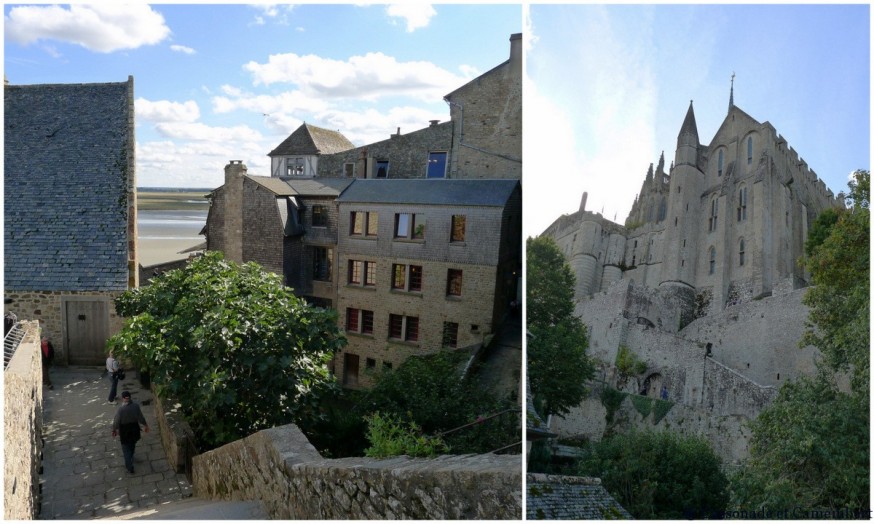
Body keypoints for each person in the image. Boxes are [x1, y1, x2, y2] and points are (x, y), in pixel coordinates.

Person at [112, 391, 149, 474]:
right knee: (132, 444)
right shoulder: (136, 406)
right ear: (130, 397)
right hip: (134, 428)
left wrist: (114, 429)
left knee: (126, 449)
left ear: (122, 398)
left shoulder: (121, 410)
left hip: (124, 431)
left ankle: (129, 466)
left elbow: (116, 421)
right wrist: (145, 425)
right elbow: (141, 417)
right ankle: (131, 456)